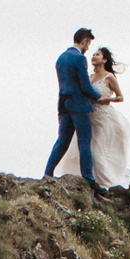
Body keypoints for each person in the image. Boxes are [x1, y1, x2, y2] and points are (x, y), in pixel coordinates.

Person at [54, 43, 130, 191]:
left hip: (103, 118)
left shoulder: (109, 77)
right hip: (88, 115)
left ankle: (104, 183)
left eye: (97, 54)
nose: (93, 56)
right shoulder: (89, 76)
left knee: (97, 152)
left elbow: (120, 97)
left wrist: (108, 99)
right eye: (93, 54)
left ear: (104, 60)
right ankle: (89, 180)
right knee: (85, 149)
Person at [44, 29, 102, 185]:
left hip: (63, 103)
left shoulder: (61, 58)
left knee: (62, 141)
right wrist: (99, 97)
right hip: (78, 104)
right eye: (88, 44)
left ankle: (48, 174)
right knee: (84, 141)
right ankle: (88, 179)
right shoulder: (79, 59)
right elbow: (85, 86)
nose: (88, 48)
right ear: (83, 41)